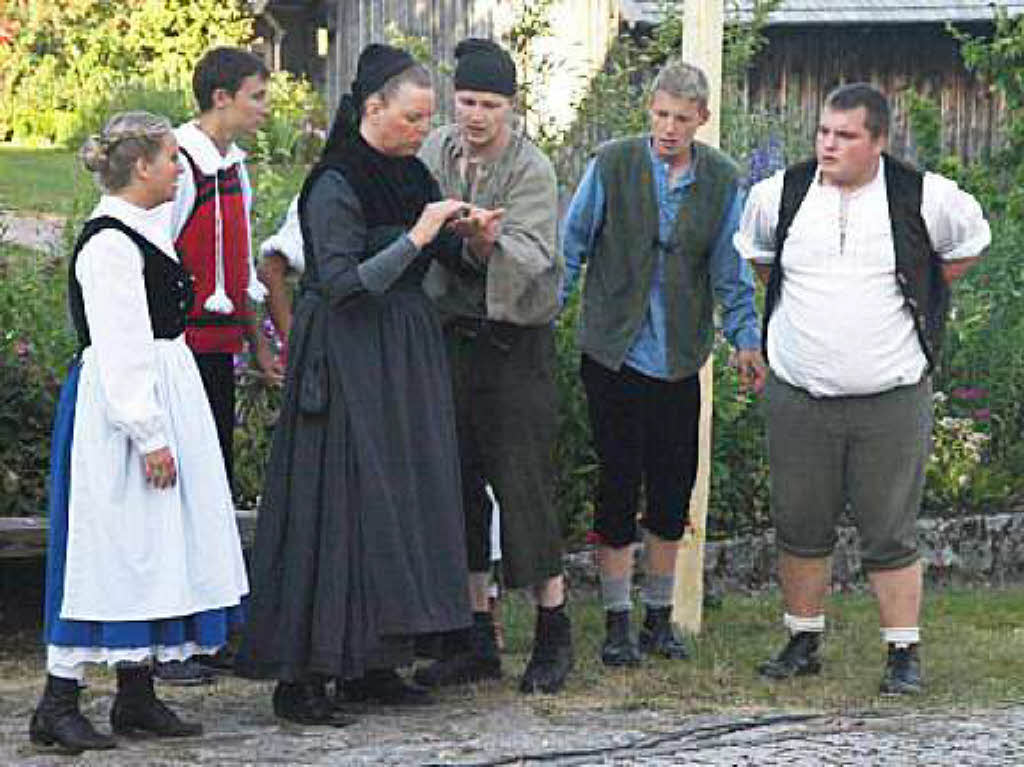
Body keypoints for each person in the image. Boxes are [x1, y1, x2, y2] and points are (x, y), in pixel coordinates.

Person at [238, 44, 475, 724]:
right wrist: (418, 236)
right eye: (411, 117)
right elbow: (340, 284)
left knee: (397, 500)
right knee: (337, 505)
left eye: (428, 119)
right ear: (373, 108)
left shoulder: (412, 175)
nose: (421, 131)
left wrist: (473, 238)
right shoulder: (333, 181)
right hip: (345, 354)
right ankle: (305, 675)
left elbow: (450, 256)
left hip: (401, 354)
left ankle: (375, 659)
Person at [734, 83, 990, 694]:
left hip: (891, 397)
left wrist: (920, 286)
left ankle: (903, 653)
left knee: (890, 531)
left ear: (878, 141)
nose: (829, 144)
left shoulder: (926, 197)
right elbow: (762, 264)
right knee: (799, 523)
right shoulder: (778, 195)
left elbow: (965, 249)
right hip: (799, 393)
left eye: (846, 136)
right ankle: (802, 639)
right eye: (824, 132)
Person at [29, 111, 249, 755]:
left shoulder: (141, 230)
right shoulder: (110, 244)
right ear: (142, 167)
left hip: (162, 392)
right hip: (121, 413)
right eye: (171, 159)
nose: (179, 169)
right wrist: (147, 432)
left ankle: (136, 691)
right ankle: (57, 701)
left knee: (154, 543)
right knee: (110, 546)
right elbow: (120, 345)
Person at [560, 59, 764, 668]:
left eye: (681, 118)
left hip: (678, 357)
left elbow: (730, 275)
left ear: (701, 119)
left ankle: (658, 617)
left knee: (673, 491)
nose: (668, 128)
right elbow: (572, 246)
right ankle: (617, 621)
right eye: (660, 115)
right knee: (617, 483)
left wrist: (745, 339)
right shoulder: (614, 163)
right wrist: (544, 319)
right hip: (613, 353)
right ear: (649, 113)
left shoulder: (724, 181)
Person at [412, 38, 573, 695]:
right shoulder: (436, 151)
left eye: (490, 103)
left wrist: (487, 239)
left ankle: (553, 630)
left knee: (523, 485)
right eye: (468, 100)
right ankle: (475, 633)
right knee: (457, 483)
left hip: (514, 344)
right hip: (450, 337)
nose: (476, 115)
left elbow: (535, 253)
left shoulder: (530, 169)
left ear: (510, 105)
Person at [157, 45, 279, 685]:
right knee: (175, 492)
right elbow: (157, 261)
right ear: (223, 97)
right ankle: (168, 640)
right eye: (258, 96)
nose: (267, 109)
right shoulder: (176, 162)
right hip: (179, 355)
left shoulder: (235, 167)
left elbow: (243, 267)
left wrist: (260, 347)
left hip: (219, 353)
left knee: (212, 486)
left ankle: (208, 629)